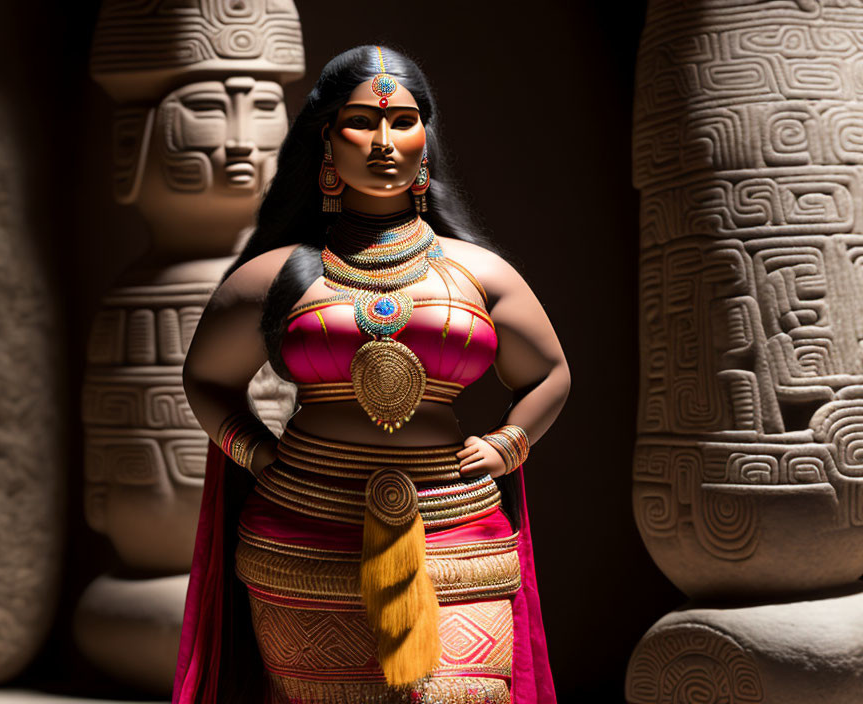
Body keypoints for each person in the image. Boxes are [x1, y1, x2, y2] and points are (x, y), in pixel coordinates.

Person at [172, 44, 570, 704]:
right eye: (362, 121)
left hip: (457, 529)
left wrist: (508, 443)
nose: (385, 141)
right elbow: (206, 378)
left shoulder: (482, 274)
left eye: (403, 121)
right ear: (325, 141)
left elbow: (550, 373)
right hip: (304, 530)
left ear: (426, 139)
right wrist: (254, 451)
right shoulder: (277, 276)